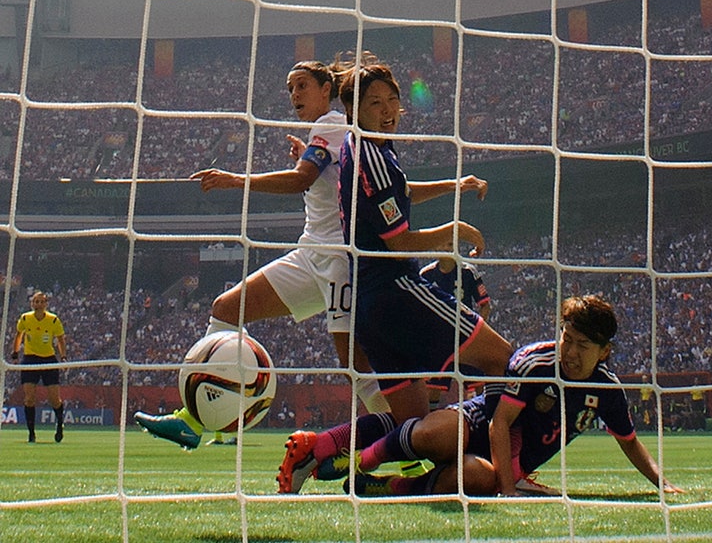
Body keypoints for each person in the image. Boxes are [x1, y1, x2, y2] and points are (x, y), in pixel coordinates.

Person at [133, 60, 401, 448]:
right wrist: (307, 153)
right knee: (226, 308)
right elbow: (322, 176)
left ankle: (409, 446)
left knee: (356, 367)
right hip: (312, 255)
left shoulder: (332, 124)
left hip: (340, 261)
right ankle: (194, 418)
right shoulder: (329, 131)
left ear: (327, 89)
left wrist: (235, 180)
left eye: (303, 85)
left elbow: (301, 180)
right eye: (290, 88)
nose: (294, 95)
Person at [275, 56, 512, 493]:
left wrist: (451, 185)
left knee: (414, 424)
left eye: (393, 100)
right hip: (398, 291)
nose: (387, 110)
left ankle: (322, 447)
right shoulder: (374, 154)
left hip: (368, 307)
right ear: (353, 110)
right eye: (374, 102)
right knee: (508, 363)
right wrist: (452, 231)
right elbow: (399, 242)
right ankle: (516, 469)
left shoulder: (357, 149)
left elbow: (396, 193)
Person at [281, 295, 682, 498]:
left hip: (501, 458)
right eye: (567, 339)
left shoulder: (606, 390)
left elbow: (629, 442)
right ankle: (350, 457)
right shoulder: (534, 363)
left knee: (478, 478)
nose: (570, 352)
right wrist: (511, 491)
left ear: (605, 351)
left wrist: (661, 482)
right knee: (433, 433)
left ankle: (385, 487)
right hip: (480, 423)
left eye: (583, 346)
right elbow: (498, 423)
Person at [11, 291, 67, 443]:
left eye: (42, 302)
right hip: (30, 359)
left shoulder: (53, 320)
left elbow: (61, 339)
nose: (39, 305)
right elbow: (19, 336)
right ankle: (31, 433)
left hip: (48, 359)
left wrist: (63, 357)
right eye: (36, 302)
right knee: (29, 398)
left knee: (54, 399)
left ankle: (60, 423)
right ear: (32, 304)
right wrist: (15, 352)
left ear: (46, 304)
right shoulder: (25, 318)